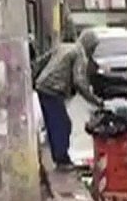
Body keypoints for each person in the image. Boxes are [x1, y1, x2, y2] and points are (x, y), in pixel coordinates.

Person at [34, 41, 102, 169]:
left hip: (42, 85)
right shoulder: (80, 54)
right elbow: (79, 82)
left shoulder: (65, 46)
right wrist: (95, 100)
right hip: (52, 89)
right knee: (62, 124)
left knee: (53, 123)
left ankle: (58, 156)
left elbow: (41, 61)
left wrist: (36, 78)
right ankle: (62, 160)